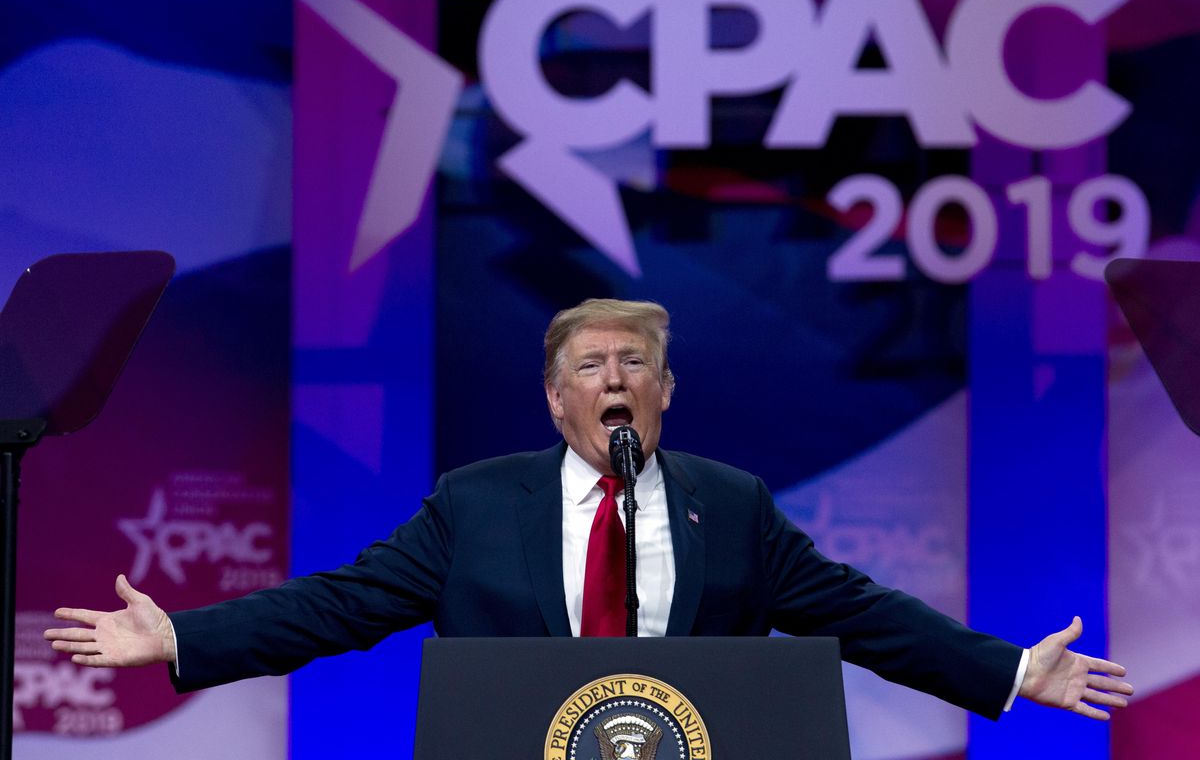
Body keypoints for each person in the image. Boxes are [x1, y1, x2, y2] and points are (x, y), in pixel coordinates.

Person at [45, 298, 1132, 720]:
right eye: (592, 362)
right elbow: (342, 604)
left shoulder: (731, 504)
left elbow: (860, 611)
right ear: (558, 395)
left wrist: (1010, 667)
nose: (617, 375)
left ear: (664, 389)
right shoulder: (477, 505)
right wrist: (181, 634)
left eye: (637, 361)